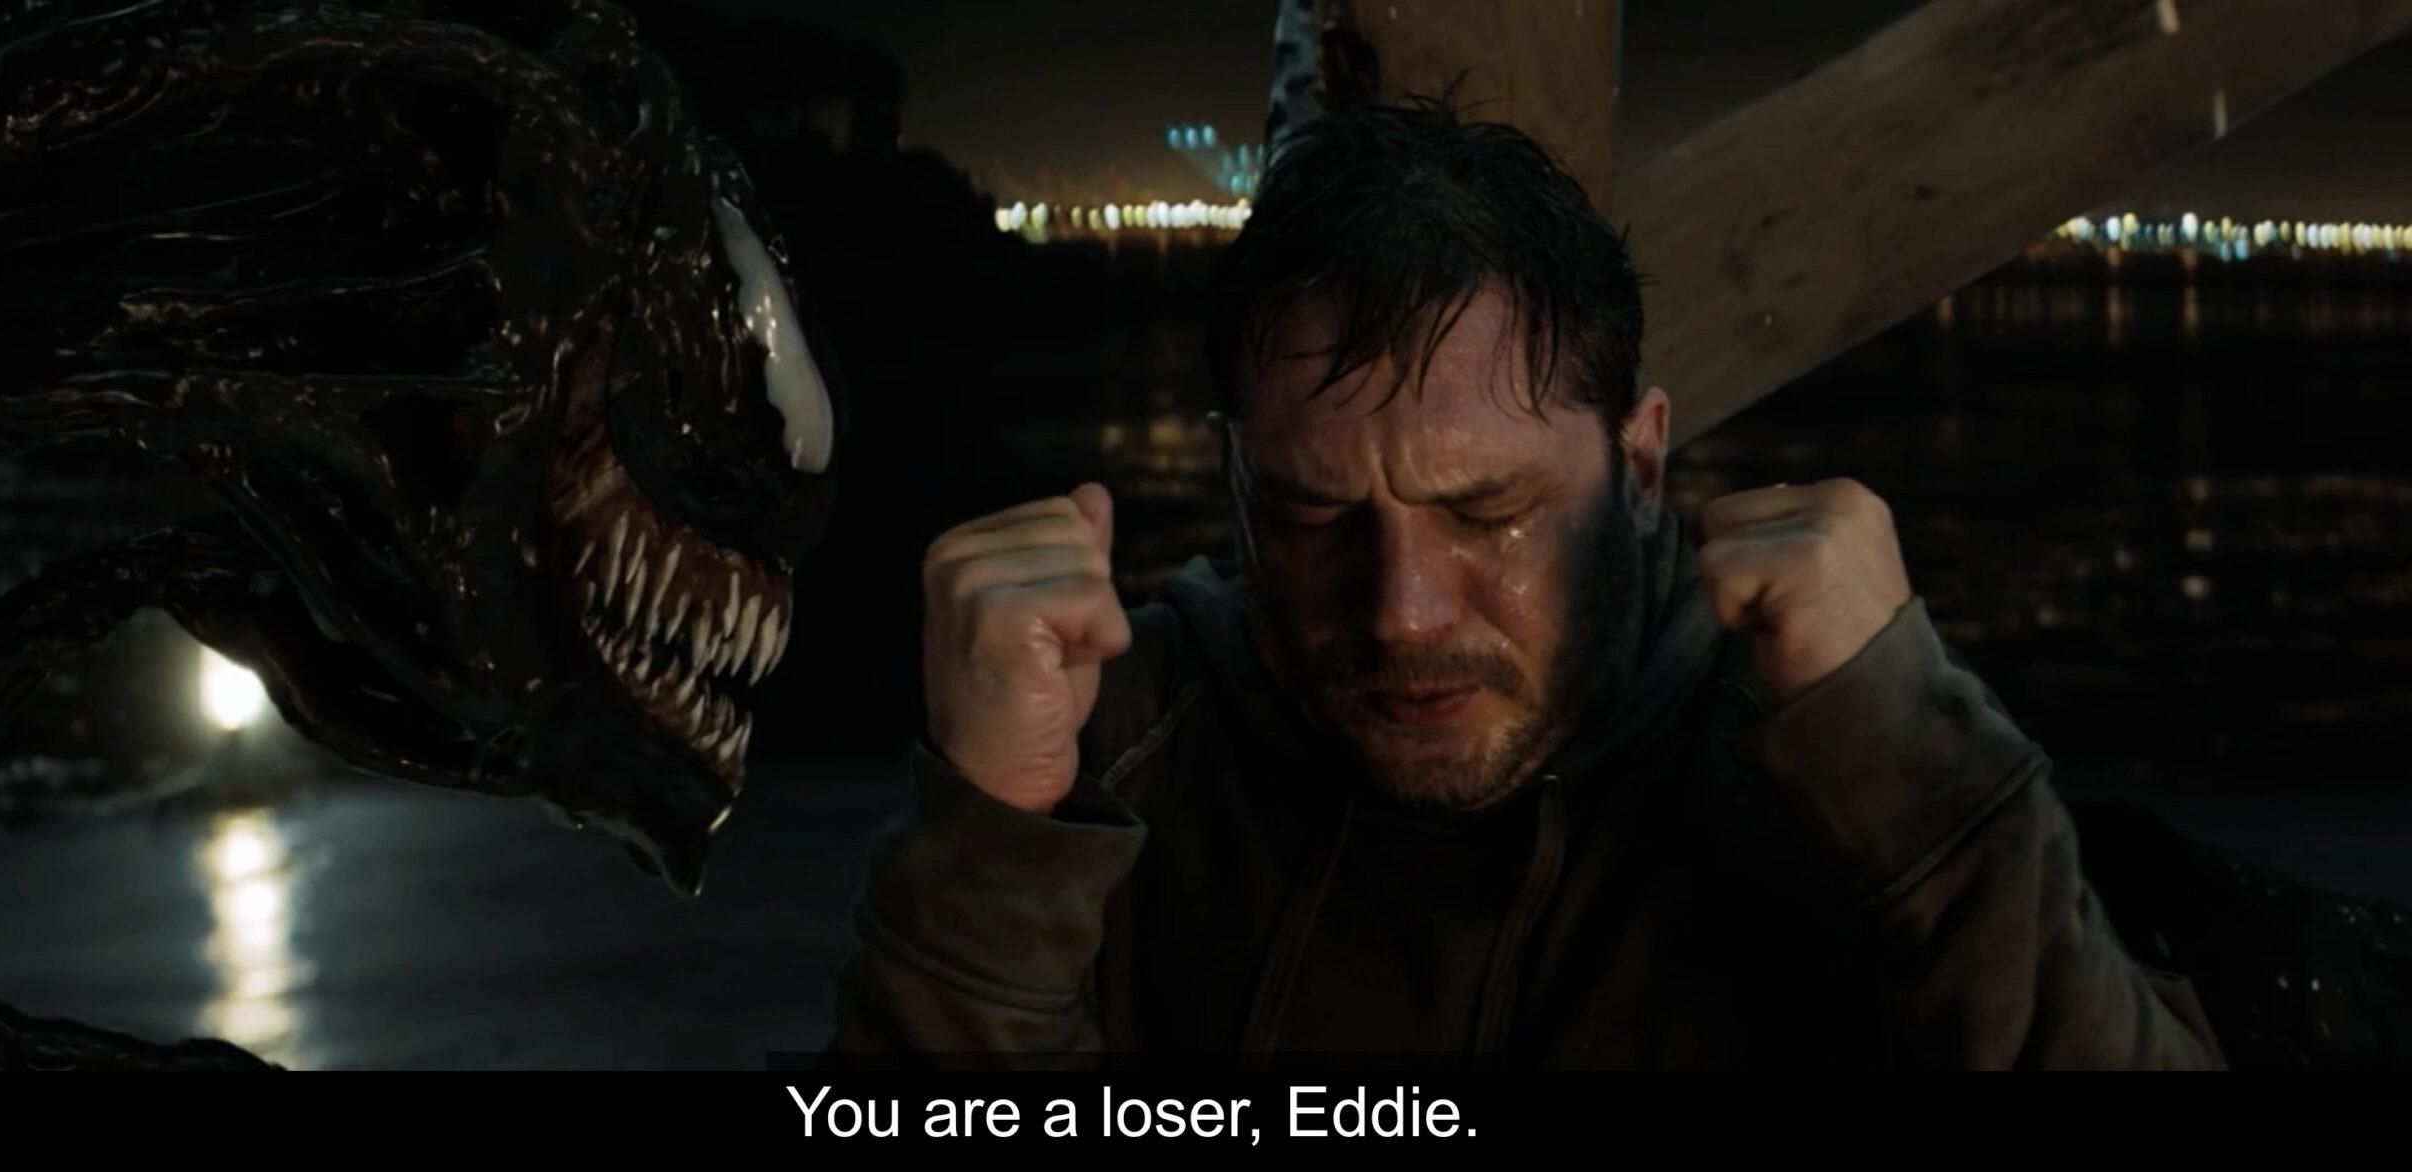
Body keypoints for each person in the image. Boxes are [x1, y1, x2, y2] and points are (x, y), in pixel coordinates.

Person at [826, 100, 2224, 1069]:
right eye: (1312, 514)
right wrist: (993, 839)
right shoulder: (1118, 752)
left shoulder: (1832, 765)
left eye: (1488, 513)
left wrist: (1927, 773)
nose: (1401, 611)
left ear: (1641, 464)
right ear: (1238, 482)